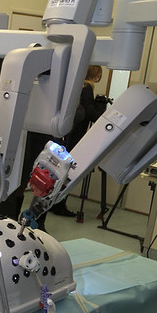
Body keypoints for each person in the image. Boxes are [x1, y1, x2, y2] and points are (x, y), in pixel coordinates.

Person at [49, 65, 108, 217]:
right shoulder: (87, 87)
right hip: (76, 134)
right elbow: (90, 112)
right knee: (68, 170)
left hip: (66, 132)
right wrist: (101, 109)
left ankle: (52, 202)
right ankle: (59, 204)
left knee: (59, 168)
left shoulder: (75, 85)